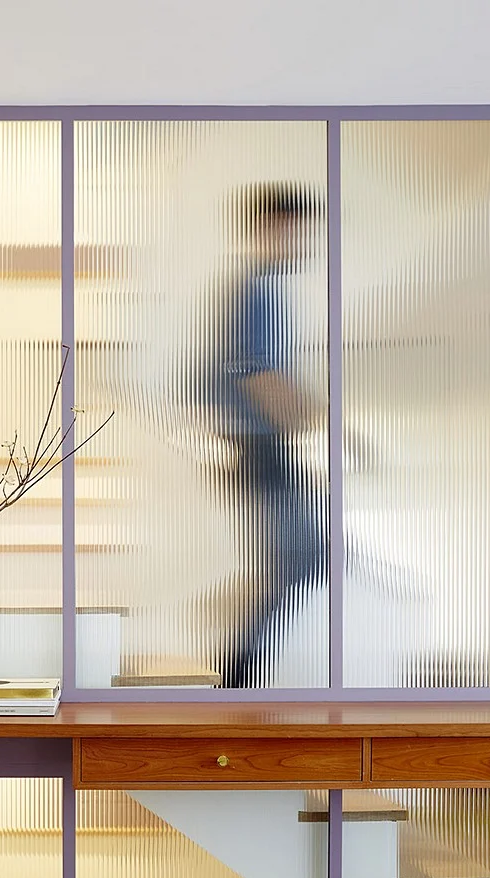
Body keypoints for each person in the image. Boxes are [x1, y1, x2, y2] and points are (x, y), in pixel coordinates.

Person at [203, 181, 328, 688]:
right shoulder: (256, 290)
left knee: (301, 562)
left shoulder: (267, 289)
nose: (300, 242)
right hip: (260, 448)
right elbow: (255, 373)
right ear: (269, 228)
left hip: (265, 447)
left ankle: (242, 673)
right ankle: (239, 676)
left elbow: (267, 374)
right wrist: (306, 418)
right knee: (300, 562)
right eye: (292, 230)